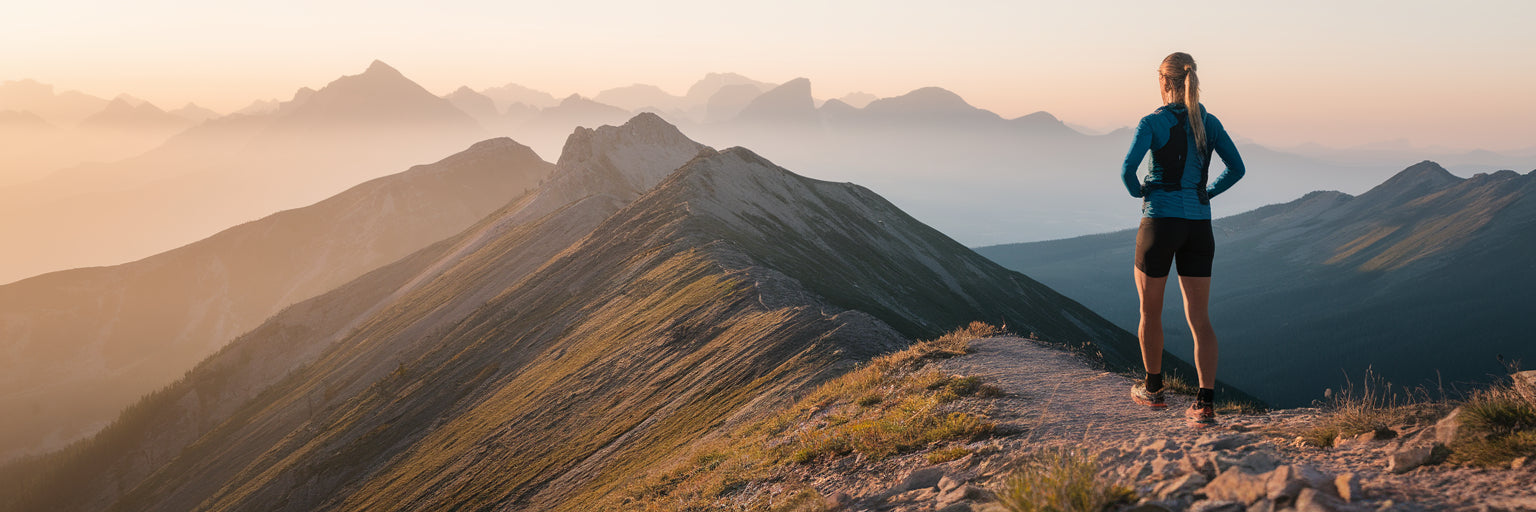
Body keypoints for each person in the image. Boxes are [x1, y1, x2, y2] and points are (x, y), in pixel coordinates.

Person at [1121, 52, 1245, 428]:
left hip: (1159, 222)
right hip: (1198, 226)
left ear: (1163, 81)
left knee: (1150, 311)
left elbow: (1128, 170)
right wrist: (1208, 191)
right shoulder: (1209, 122)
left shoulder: (1153, 122)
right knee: (1200, 319)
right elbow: (1237, 169)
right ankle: (1205, 405)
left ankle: (1153, 390)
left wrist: (1138, 191)